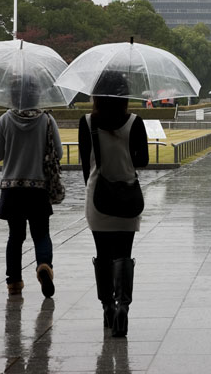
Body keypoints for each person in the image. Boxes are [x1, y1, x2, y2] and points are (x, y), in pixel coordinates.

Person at [79, 73, 149, 337]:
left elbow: (86, 166)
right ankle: (123, 305)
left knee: (103, 254)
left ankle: (107, 306)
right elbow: (142, 161)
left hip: (98, 196)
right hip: (128, 196)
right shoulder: (134, 122)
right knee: (123, 253)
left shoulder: (87, 122)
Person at [0, 78, 62, 298]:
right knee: (41, 234)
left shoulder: (4, 119)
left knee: (15, 237)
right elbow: (58, 154)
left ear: (12, 96)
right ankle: (44, 265)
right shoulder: (47, 120)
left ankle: (14, 281)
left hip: (12, 188)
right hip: (38, 187)